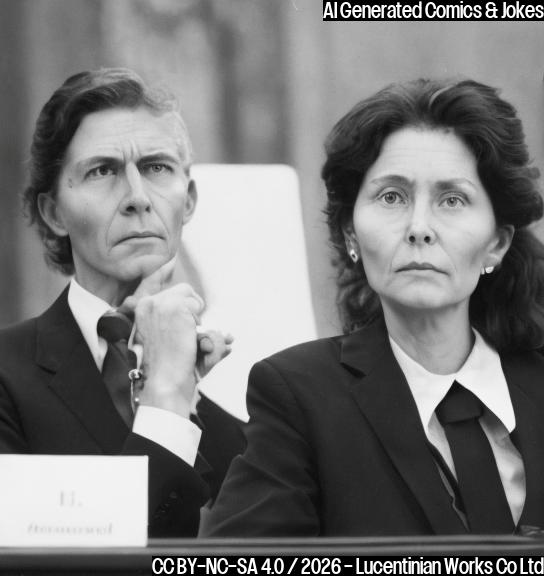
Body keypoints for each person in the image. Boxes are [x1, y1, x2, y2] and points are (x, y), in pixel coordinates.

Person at [207, 78, 544, 536]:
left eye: (452, 199)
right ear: (350, 234)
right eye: (392, 197)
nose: (419, 227)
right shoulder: (299, 397)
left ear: (497, 244)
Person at [0, 68, 245, 537]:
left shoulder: (256, 384)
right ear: (54, 212)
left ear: (190, 199)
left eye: (157, 168)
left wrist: (187, 393)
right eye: (103, 171)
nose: (138, 197)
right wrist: (165, 398)